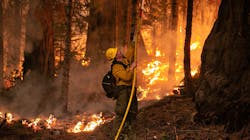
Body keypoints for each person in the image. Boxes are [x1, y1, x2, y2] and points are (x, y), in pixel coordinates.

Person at [105, 43, 138, 140]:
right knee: (121, 113)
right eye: (117, 52)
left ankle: (130, 135)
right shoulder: (116, 67)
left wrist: (134, 40)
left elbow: (130, 52)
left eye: (118, 51)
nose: (119, 51)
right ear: (115, 56)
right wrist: (132, 67)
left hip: (130, 90)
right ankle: (116, 136)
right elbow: (127, 77)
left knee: (132, 112)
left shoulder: (124, 60)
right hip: (123, 91)